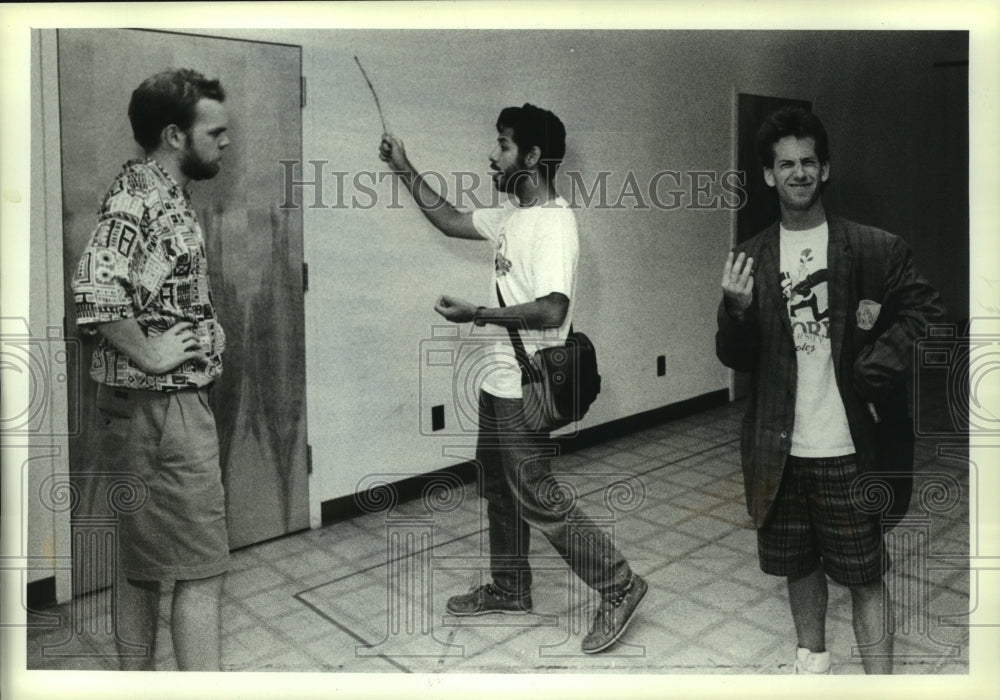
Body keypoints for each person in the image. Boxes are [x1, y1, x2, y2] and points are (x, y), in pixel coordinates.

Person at [378, 104, 647, 654]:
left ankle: (619, 584)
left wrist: (478, 312)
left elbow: (552, 310)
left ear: (530, 157)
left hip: (527, 388)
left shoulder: (553, 224)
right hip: (499, 380)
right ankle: (510, 586)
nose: (492, 155)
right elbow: (450, 218)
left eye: (502, 146)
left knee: (539, 497)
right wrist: (405, 166)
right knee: (499, 489)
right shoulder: (512, 215)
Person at [715, 106, 943, 674]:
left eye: (808, 162)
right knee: (799, 566)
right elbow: (734, 356)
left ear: (825, 169)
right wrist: (736, 312)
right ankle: (811, 668)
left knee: (865, 578)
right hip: (781, 449)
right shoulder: (751, 254)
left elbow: (928, 315)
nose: (798, 173)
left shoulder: (873, 247)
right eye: (785, 164)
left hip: (848, 448)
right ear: (768, 175)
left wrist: (874, 370)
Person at [71, 69, 232, 671]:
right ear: (174, 135)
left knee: (141, 568)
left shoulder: (155, 191)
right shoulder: (141, 196)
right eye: (214, 132)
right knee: (201, 573)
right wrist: (154, 352)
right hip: (164, 413)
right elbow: (93, 284)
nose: (225, 143)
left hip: (141, 411)